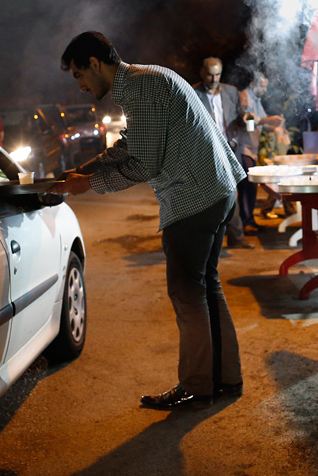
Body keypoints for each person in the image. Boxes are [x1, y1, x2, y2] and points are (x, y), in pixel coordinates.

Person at [54, 31, 245, 410]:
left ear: (95, 63)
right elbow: (135, 143)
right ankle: (225, 378)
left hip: (194, 198)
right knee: (207, 288)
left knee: (187, 294)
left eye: (79, 75)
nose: (79, 86)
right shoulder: (147, 79)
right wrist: (86, 168)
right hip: (217, 189)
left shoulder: (140, 89)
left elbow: (145, 163)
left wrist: (89, 184)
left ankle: (196, 386)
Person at [194, 57, 253, 249]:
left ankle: (235, 238)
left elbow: (237, 117)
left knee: (230, 194)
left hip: (228, 150)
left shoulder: (231, 91)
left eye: (217, 74)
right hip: (206, 152)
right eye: (210, 74)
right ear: (202, 73)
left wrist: (245, 119)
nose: (213, 79)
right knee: (209, 198)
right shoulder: (193, 93)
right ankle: (209, 240)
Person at [237, 72, 284, 234]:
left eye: (265, 86)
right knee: (246, 185)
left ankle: (249, 220)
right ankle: (245, 223)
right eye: (262, 86)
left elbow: (264, 123)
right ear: (253, 84)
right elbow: (246, 119)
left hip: (252, 149)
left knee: (251, 186)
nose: (264, 90)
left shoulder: (256, 100)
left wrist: (276, 125)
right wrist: (267, 121)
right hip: (243, 148)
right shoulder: (244, 96)